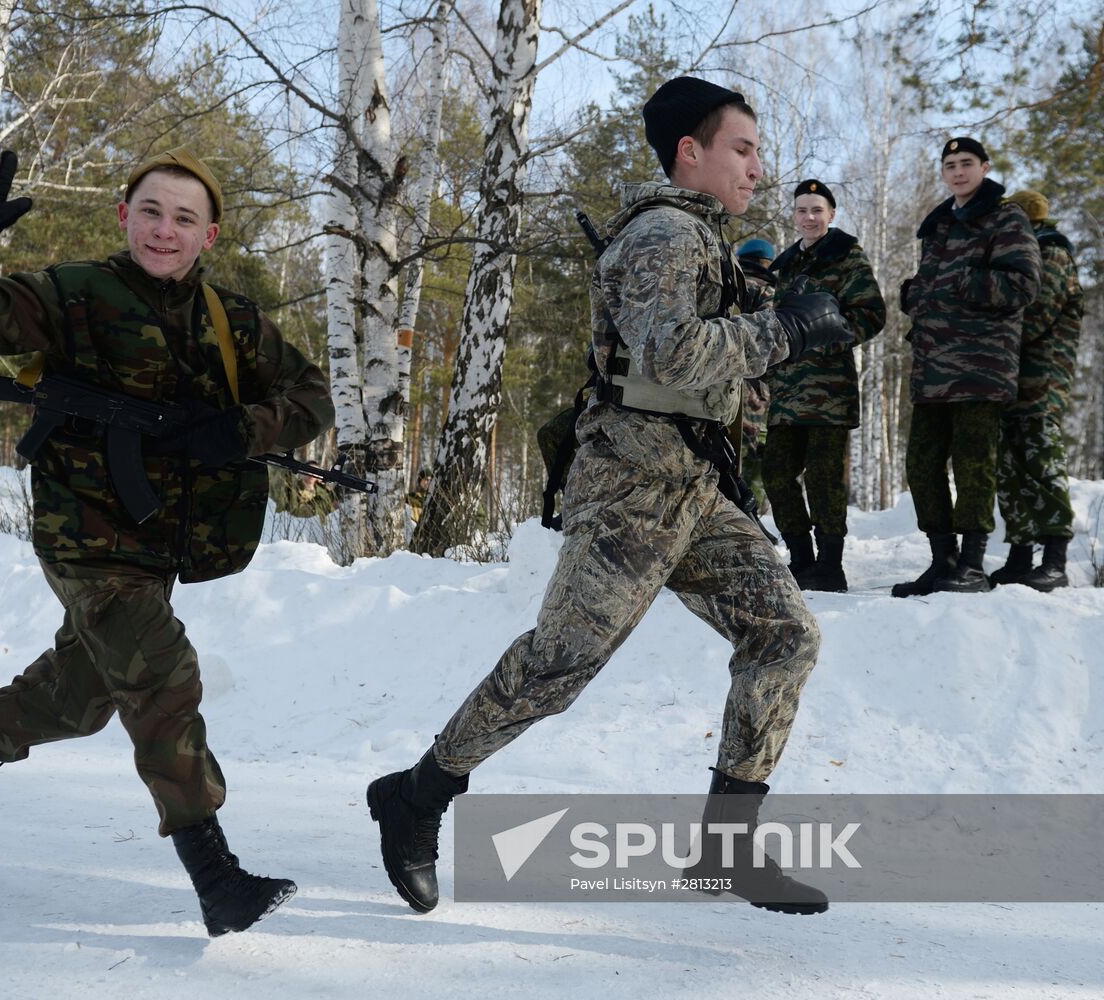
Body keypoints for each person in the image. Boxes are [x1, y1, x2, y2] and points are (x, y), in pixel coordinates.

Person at [367, 77, 854, 917]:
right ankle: (416, 796)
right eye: (742, 149)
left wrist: (763, 338)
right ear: (690, 154)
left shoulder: (705, 239)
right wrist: (788, 331)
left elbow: (705, 374)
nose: (756, 166)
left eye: (759, 151)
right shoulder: (665, 231)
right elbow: (672, 357)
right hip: (630, 488)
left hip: (694, 489)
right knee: (556, 668)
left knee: (784, 635)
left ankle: (726, 850)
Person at [0, 139, 334, 936]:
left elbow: (314, 394)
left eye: (183, 218)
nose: (163, 231)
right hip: (84, 536)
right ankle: (217, 876)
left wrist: (245, 429)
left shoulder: (234, 321)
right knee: (164, 677)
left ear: (209, 236)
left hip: (160, 545)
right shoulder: (73, 295)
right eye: (150, 212)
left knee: (84, 699)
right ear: (123, 217)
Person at [893, 138, 1041, 596]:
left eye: (966, 164)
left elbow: (1023, 284)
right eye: (950, 165)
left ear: (984, 167)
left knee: (974, 464)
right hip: (933, 366)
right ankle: (944, 560)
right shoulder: (937, 225)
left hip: (981, 365)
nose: (958, 172)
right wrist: (914, 295)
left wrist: (962, 281)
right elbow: (926, 284)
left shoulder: (1005, 217)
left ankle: (973, 565)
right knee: (921, 465)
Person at [763, 180, 885, 592]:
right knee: (776, 474)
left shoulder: (846, 258)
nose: (809, 217)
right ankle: (801, 560)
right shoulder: (785, 266)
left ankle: (830, 566)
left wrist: (829, 334)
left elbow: (872, 314)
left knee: (825, 479)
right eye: (801, 210)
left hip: (828, 393)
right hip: (786, 393)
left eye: (817, 210)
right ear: (793, 216)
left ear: (831, 215)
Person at [990, 189, 1085, 591]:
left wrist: (987, 331)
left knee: (1042, 461)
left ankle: (1056, 558)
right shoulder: (1024, 252)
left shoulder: (1052, 254)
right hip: (1011, 378)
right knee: (1011, 467)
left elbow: (1036, 313)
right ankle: (1020, 555)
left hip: (1041, 379)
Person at [734, 238, 777, 515]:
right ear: (767, 262)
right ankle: (752, 521)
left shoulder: (728, 286)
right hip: (755, 391)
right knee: (755, 457)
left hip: (717, 387)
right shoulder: (770, 293)